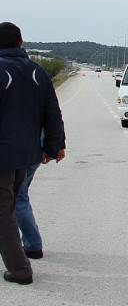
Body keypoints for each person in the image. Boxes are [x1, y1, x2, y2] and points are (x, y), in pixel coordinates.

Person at [0, 22, 66, 285]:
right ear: (21, 42)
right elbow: (52, 112)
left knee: (4, 212)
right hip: (27, 154)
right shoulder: (38, 72)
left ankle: (20, 270)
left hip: (3, 156)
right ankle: (23, 252)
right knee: (11, 206)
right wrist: (54, 146)